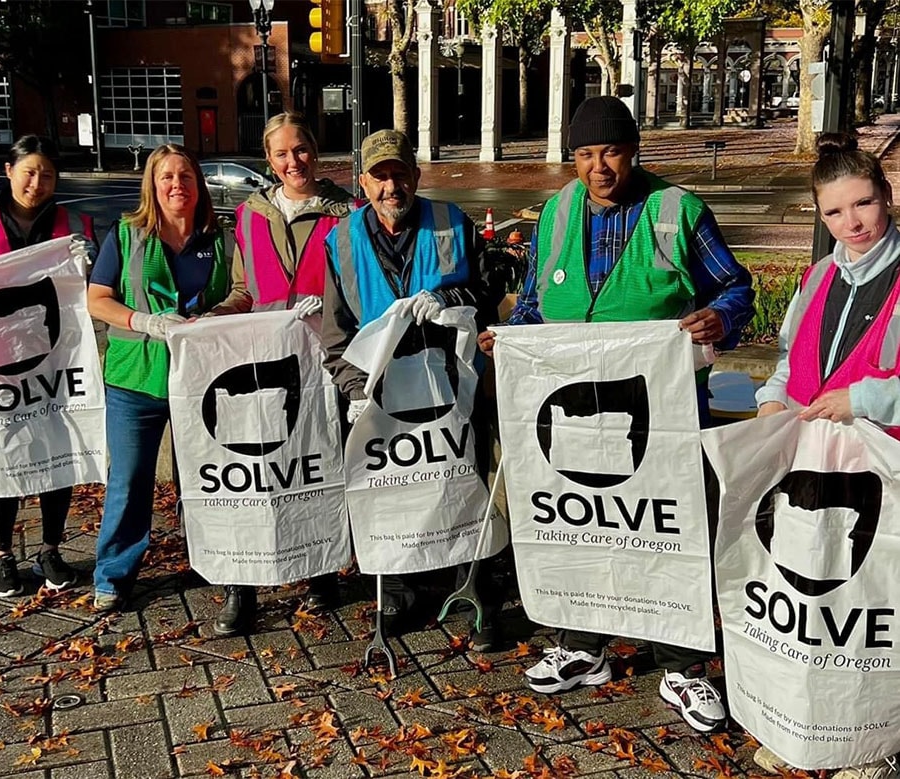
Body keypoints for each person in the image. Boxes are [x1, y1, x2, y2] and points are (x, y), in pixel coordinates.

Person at [477, 96, 755, 732]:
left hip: (662, 409)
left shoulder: (677, 211)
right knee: (583, 522)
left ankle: (684, 665)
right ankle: (584, 643)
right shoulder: (555, 212)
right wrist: (511, 336)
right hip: (574, 409)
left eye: (610, 151)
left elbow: (734, 286)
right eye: (583, 154)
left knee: (673, 526)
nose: (597, 167)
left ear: (633, 150)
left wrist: (722, 318)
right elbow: (540, 302)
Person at [752, 134, 900, 779]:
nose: (853, 223)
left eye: (863, 203)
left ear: (887, 198)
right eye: (835, 212)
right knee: (817, 600)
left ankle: (877, 743)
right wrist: (771, 399)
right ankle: (814, 724)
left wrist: (863, 398)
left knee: (877, 607)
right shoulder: (817, 277)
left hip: (885, 469)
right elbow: (790, 359)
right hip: (815, 464)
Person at [322, 129, 503, 650]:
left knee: (462, 482)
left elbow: (489, 290)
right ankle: (399, 590)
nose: (391, 186)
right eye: (379, 177)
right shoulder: (342, 241)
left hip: (450, 387)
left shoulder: (451, 222)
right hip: (380, 394)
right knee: (390, 493)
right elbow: (335, 331)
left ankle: (476, 588)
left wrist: (447, 295)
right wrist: (354, 388)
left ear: (416, 176)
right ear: (363, 183)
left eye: (399, 173)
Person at [209, 111, 356, 637]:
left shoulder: (347, 212)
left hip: (324, 361)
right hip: (266, 361)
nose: (293, 161)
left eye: (301, 150)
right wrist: (214, 321)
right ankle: (242, 586)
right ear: (268, 161)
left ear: (314, 152)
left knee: (317, 466)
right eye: (281, 154)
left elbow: (360, 283)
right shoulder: (251, 216)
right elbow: (243, 290)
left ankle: (319, 572)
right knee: (260, 471)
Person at [87, 144, 229, 613]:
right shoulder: (126, 234)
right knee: (129, 480)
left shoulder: (218, 237)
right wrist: (144, 322)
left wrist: (216, 315)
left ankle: (212, 558)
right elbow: (97, 299)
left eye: (186, 176)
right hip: (135, 379)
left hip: (199, 381)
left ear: (198, 184)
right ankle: (113, 573)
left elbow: (238, 293)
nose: (176, 186)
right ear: (152, 184)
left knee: (204, 479)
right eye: (166, 176)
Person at [0, 134, 98, 598]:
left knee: (57, 449)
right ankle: (3, 554)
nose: (37, 182)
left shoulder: (74, 226)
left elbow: (92, 290)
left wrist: (85, 266)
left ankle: (50, 547)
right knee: (2, 450)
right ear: (8, 171)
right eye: (29, 172)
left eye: (47, 175)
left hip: (55, 359)